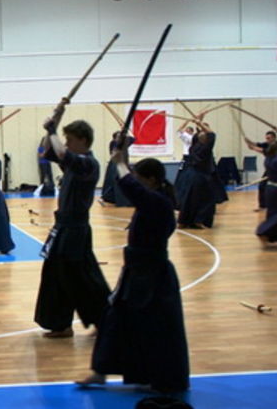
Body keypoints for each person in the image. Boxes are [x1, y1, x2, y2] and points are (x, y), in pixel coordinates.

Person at [76, 154, 190, 394]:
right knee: (114, 319)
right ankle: (100, 372)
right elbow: (130, 188)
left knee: (154, 328)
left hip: (153, 276)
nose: (136, 181)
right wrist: (123, 160)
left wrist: (119, 163)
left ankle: (158, 376)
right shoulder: (152, 199)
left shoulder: (159, 203)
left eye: (140, 177)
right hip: (136, 271)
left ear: (151, 180)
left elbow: (132, 189)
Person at [34, 102, 110, 338]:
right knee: (55, 274)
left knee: (82, 277)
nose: (66, 143)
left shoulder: (88, 164)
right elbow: (48, 152)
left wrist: (54, 130)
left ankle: (106, 319)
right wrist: (52, 126)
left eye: (70, 139)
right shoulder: (74, 162)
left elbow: (61, 152)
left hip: (76, 229)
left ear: (83, 141)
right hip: (63, 226)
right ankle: (60, 323)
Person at [177, 123, 218, 229]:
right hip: (202, 176)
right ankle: (199, 220)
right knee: (206, 199)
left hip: (191, 175)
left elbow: (201, 135)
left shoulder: (194, 147)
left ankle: (184, 221)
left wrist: (198, 121)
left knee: (189, 198)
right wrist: (199, 122)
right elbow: (212, 134)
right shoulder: (206, 148)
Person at [244, 131, 277, 212]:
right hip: (269, 170)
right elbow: (257, 144)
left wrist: (253, 148)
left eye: (269, 138)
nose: (267, 140)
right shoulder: (267, 144)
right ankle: (263, 206)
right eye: (266, 138)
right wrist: (248, 141)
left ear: (274, 138)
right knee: (262, 186)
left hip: (276, 170)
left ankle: (275, 206)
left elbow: (264, 151)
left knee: (274, 188)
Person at [100, 132, 134, 207]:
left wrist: (127, 132)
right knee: (115, 182)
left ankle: (108, 197)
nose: (120, 138)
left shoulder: (123, 143)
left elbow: (133, 139)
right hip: (115, 165)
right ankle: (110, 198)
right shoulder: (114, 143)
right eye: (118, 136)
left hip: (122, 164)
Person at [173, 125, 195, 210]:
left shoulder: (191, 138)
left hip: (190, 157)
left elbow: (180, 131)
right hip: (186, 157)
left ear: (191, 132)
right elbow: (179, 130)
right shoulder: (187, 137)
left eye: (187, 131)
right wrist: (186, 123)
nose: (185, 132)